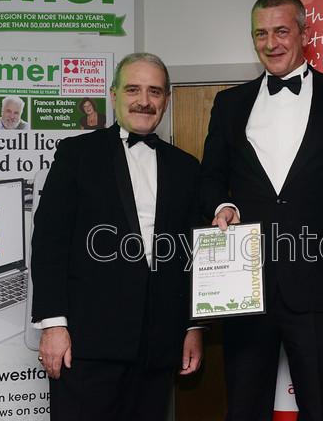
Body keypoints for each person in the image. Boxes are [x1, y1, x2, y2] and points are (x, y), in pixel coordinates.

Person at [200, 0, 323, 421]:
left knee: (322, 408)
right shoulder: (229, 104)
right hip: (244, 283)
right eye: (261, 33)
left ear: (305, 33)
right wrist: (222, 203)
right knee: (245, 407)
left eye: (282, 30)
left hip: (317, 278)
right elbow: (211, 177)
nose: (271, 43)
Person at [31, 52, 203, 421]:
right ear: (113, 95)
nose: (144, 100)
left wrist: (191, 327)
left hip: (158, 345)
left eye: (155, 91)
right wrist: (53, 325)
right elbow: (49, 244)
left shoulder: (187, 167)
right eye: (133, 89)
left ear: (166, 100)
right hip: (87, 342)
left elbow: (191, 256)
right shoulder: (77, 154)